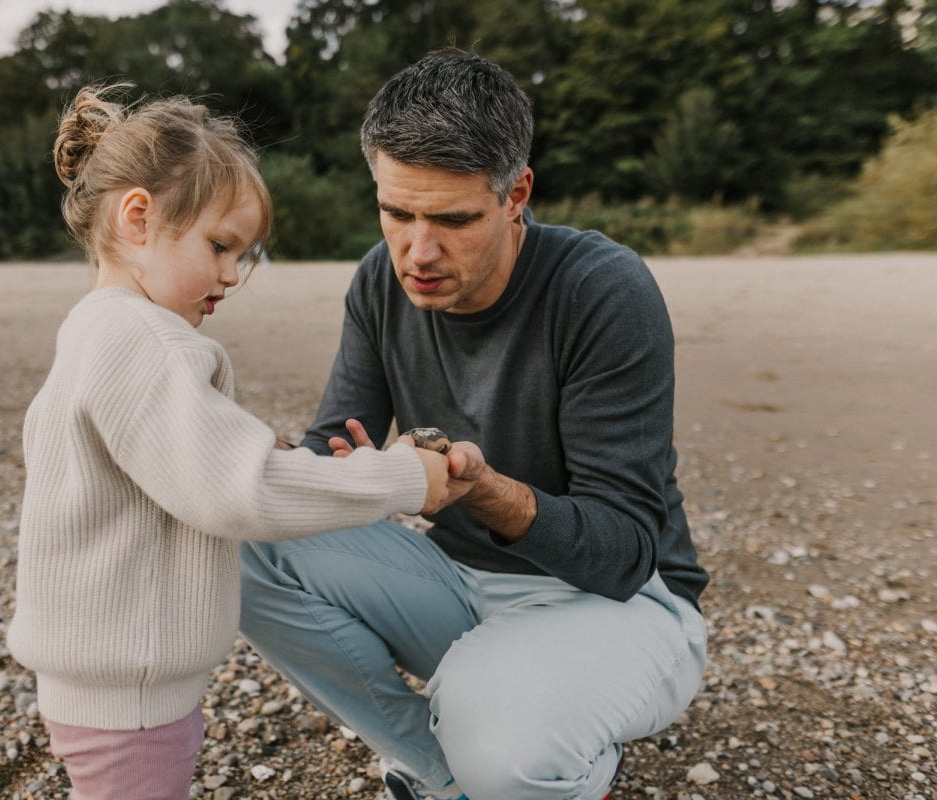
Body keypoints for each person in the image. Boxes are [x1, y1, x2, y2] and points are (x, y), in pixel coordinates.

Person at [239, 49, 710, 800]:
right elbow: (332, 447)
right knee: (239, 532)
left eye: (454, 219)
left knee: (501, 746)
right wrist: (275, 464)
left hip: (621, 605)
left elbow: (623, 555)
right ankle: (436, 772)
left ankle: (529, 744)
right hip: (457, 586)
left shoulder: (601, 289)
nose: (418, 252)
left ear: (516, 193)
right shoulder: (380, 280)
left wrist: (485, 490)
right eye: (397, 213)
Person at [6, 85, 453, 800]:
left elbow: (192, 469)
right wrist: (406, 477)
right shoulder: (147, 341)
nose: (230, 276)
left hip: (104, 686)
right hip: (133, 696)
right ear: (138, 218)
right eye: (219, 246)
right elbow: (244, 492)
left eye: (244, 255)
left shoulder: (94, 328)